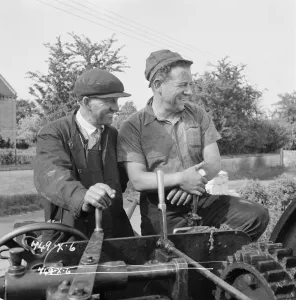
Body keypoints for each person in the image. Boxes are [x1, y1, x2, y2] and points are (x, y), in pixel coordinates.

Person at [117, 49, 269, 241]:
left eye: (190, 84)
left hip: (201, 198)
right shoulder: (133, 126)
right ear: (158, 85)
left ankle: (219, 259)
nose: (189, 91)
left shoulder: (198, 114)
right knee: (173, 259)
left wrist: (193, 182)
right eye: (182, 85)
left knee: (257, 216)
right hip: (161, 209)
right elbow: (138, 179)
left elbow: (213, 162)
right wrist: (181, 179)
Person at [34, 68, 134, 241]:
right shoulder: (52, 133)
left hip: (114, 233)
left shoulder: (113, 135)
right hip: (71, 233)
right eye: (110, 101)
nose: (116, 108)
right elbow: (52, 175)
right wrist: (82, 196)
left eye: (116, 100)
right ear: (87, 102)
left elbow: (124, 178)